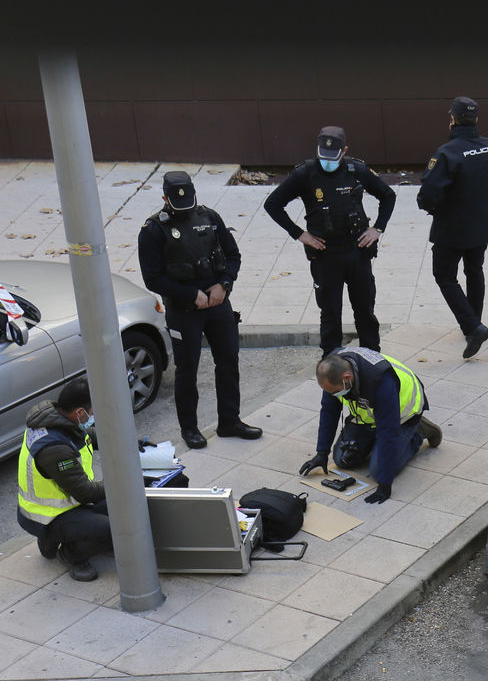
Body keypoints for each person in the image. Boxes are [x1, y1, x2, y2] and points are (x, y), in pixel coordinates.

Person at [139, 171, 262, 449]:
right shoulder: (153, 231)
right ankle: (190, 428)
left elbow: (233, 256)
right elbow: (153, 278)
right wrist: (190, 294)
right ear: (164, 199)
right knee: (187, 370)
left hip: (217, 303)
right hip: (184, 309)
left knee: (228, 362)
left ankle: (230, 421)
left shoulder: (210, 218)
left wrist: (224, 285)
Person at [264, 126, 396, 356]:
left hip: (357, 250)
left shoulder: (356, 170)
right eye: (323, 158)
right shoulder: (304, 174)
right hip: (325, 254)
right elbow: (273, 204)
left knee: (364, 310)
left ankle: (372, 357)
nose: (327, 163)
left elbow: (388, 195)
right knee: (330, 312)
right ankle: (331, 362)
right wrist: (299, 234)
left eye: (332, 158)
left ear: (344, 151)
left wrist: (378, 228)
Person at [298, 347, 443, 504]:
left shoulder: (380, 381)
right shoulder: (332, 371)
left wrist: (385, 484)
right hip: (370, 416)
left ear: (347, 378)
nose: (333, 395)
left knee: (378, 470)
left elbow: (388, 431)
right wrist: (322, 452)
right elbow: (329, 411)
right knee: (341, 459)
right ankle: (375, 441)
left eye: (336, 392)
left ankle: (418, 433)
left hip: (402, 416)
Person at [416, 96, 488, 358]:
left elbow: (427, 195)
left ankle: (473, 327)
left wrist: (433, 208)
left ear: (452, 119)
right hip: (481, 224)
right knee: (474, 270)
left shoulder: (446, 153)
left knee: (444, 275)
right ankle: (474, 323)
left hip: (452, 229)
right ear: (476, 119)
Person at [16, 378, 110, 582]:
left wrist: (123, 440)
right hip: (48, 517)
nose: (92, 417)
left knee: (123, 508)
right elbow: (85, 492)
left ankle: (66, 537)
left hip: (69, 504)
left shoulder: (60, 420)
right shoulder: (54, 448)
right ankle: (69, 554)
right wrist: (121, 486)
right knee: (115, 528)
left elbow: (86, 436)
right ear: (79, 412)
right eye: (91, 413)